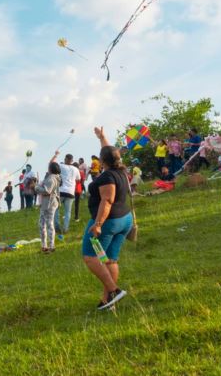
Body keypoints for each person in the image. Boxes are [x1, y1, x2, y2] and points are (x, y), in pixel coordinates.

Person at [82, 127, 133, 311]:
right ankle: (108, 301)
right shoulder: (121, 169)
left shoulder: (107, 177)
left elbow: (107, 200)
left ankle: (113, 290)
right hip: (124, 220)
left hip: (108, 222)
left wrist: (98, 224)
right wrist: (102, 137)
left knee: (90, 256)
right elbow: (109, 152)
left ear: (102, 161)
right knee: (110, 259)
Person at [52, 152, 79, 238]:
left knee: (56, 209)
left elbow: (52, 165)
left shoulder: (61, 166)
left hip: (61, 191)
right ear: (72, 160)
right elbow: (78, 179)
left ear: (65, 159)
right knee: (68, 212)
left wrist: (56, 155)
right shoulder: (76, 169)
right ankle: (65, 229)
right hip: (71, 192)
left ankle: (57, 227)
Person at [36, 161, 61, 253]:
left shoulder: (51, 178)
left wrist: (37, 188)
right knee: (42, 224)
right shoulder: (55, 177)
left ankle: (51, 246)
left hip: (49, 203)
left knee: (49, 224)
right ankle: (44, 245)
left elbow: (47, 191)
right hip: (48, 203)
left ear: (51, 169)